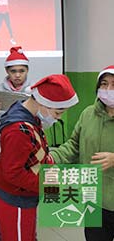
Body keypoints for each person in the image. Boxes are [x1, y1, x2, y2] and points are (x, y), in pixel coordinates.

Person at [0, 74, 78, 241]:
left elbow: (35, 151)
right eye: (57, 112)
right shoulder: (18, 130)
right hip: (14, 199)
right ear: (43, 103)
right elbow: (13, 174)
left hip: (23, 196)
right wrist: (49, 184)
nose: (57, 118)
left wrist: (50, 166)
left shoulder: (29, 117)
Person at [51, 66, 114, 240]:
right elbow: (73, 145)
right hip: (94, 197)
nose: (108, 90)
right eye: (104, 84)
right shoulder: (88, 114)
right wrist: (50, 158)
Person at [0, 46, 32, 241]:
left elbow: (42, 123)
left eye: (21, 71)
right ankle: (0, 235)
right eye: (13, 71)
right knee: (1, 199)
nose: (18, 75)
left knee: (27, 199)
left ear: (27, 71)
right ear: (7, 72)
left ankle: (28, 234)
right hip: (2, 153)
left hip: (27, 155)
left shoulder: (34, 91)